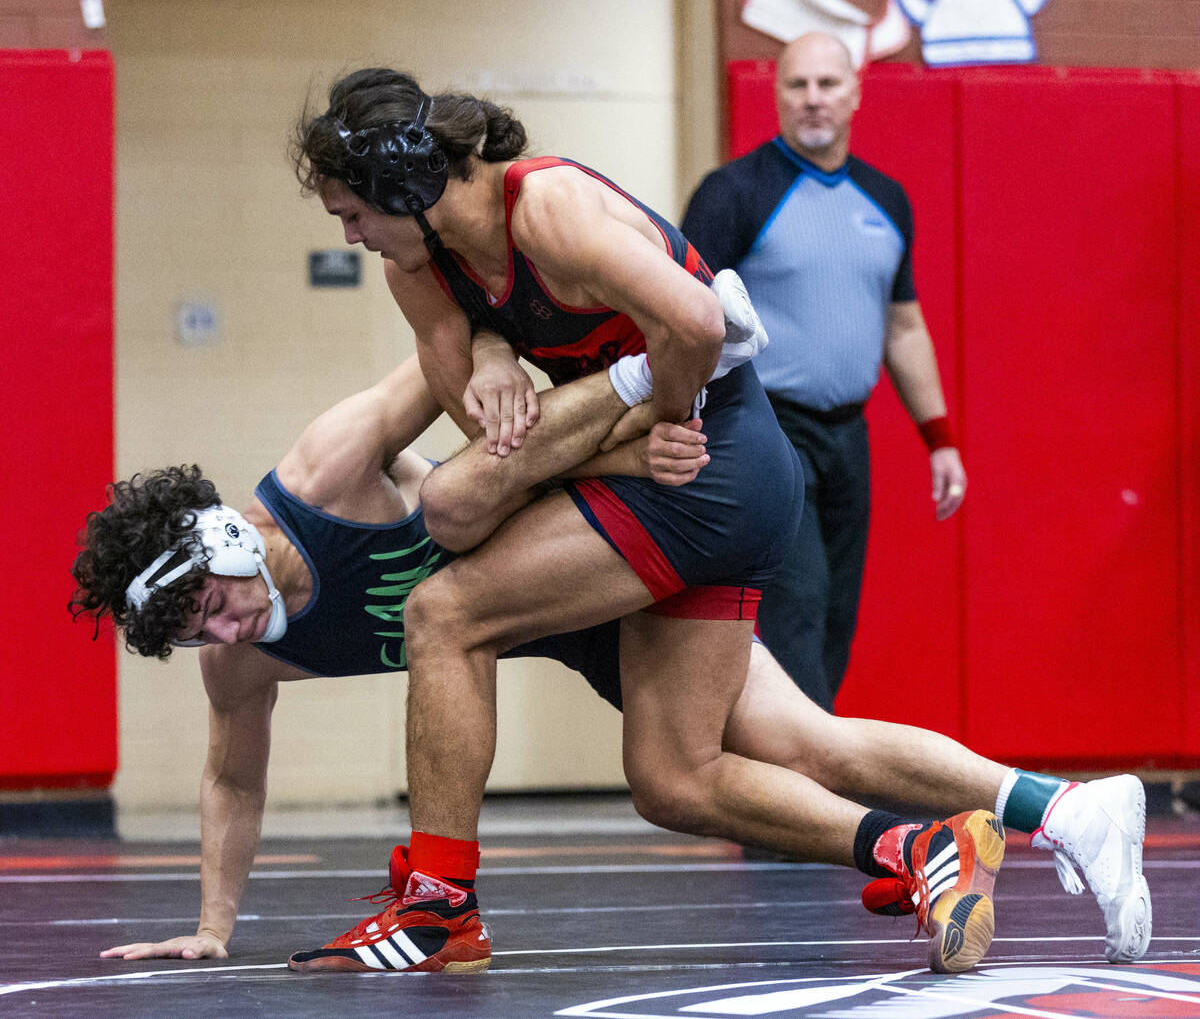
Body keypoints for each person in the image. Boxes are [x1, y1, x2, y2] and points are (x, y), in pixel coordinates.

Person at [280, 67, 1146, 976]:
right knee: (682, 775)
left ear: (409, 191)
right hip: (662, 465)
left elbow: (700, 321)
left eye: (354, 213)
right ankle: (1022, 822)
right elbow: (500, 444)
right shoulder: (418, 269)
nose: (350, 234)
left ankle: (441, 905)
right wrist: (501, 353)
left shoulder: (546, 210)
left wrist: (661, 418)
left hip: (710, 459)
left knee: (444, 611)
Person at [72, 356, 1150, 973]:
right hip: (576, 612)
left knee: (636, 747)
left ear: (221, 543)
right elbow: (232, 775)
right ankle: (1054, 812)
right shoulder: (242, 661)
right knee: (795, 741)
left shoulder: (325, 469)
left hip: (604, 549)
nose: (220, 635)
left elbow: (448, 359)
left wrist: (503, 383)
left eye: (211, 606)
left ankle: (443, 900)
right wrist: (213, 928)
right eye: (192, 638)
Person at [681, 31, 967, 712]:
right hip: (761, 432)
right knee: (797, 606)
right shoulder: (734, 193)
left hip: (847, 437)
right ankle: (813, 790)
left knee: (837, 613)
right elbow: (682, 314)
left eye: (827, 84)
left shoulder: (886, 200)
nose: (813, 99)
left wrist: (941, 437)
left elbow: (903, 326)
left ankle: (796, 773)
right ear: (776, 94)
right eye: (797, 85)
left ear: (856, 92)